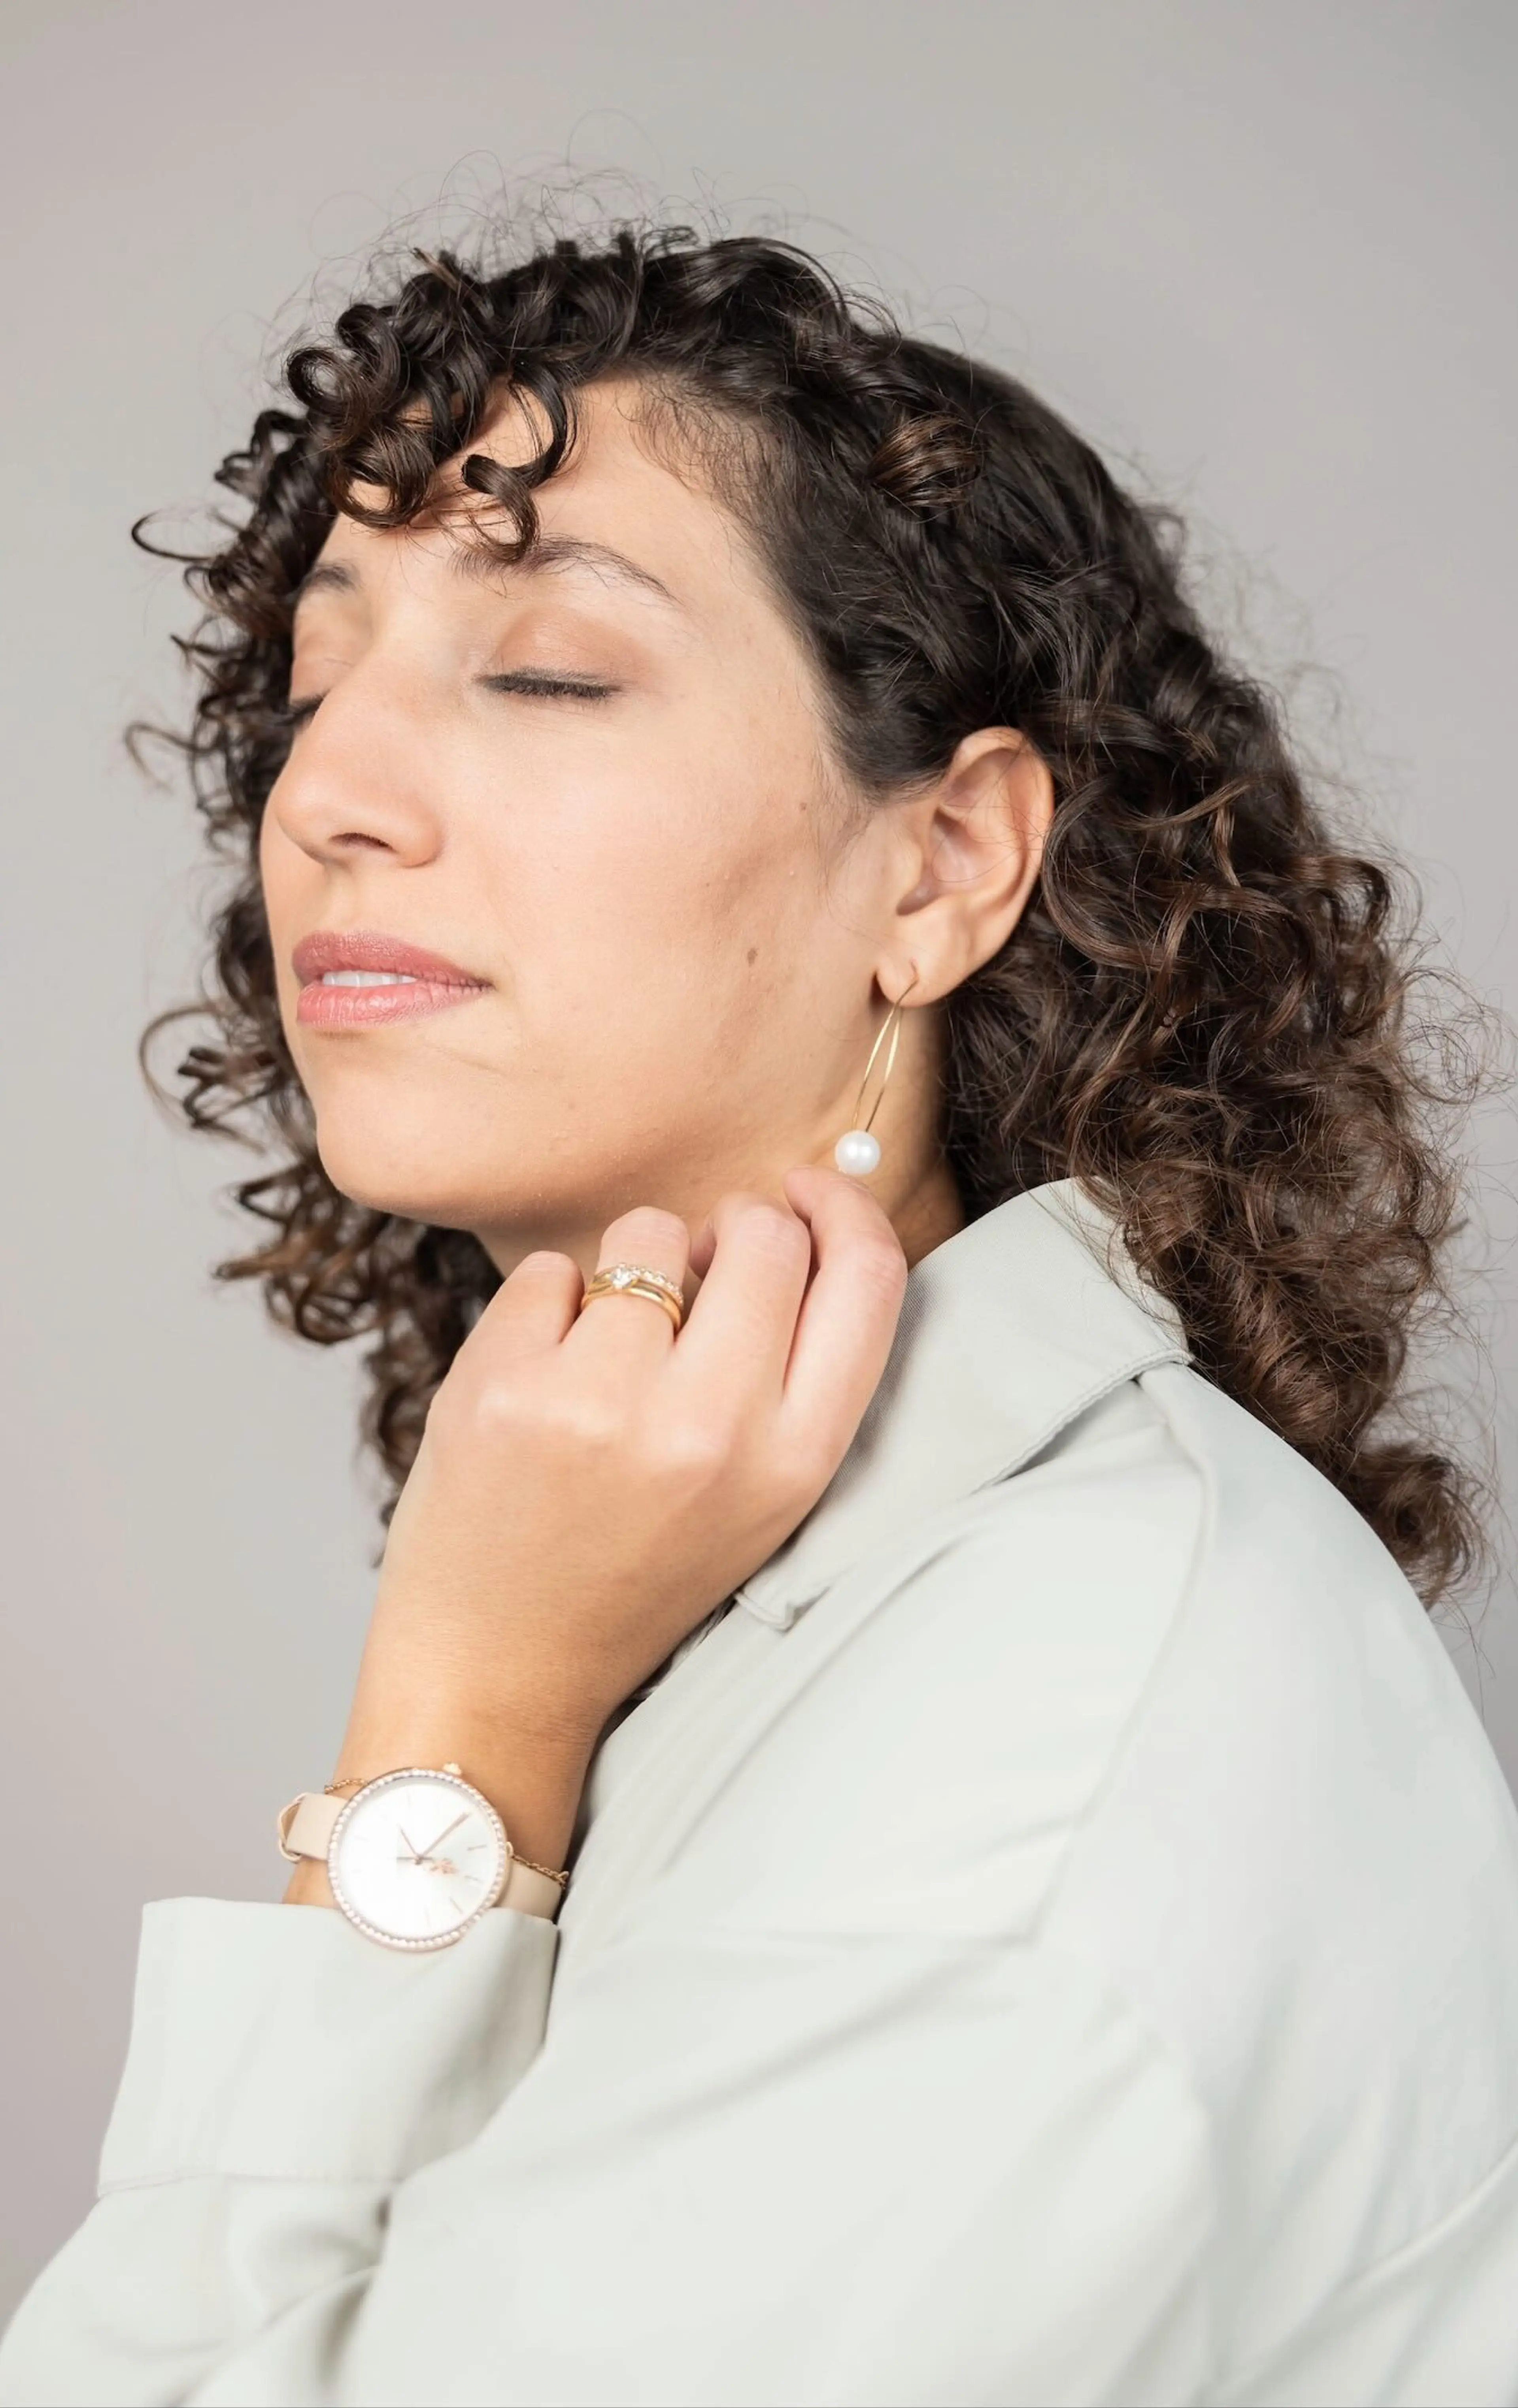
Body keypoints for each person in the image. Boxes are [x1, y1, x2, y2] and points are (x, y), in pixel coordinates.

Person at [4, 218, 1516, 2408]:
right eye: (314, 688)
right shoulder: (785, 1592)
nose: (320, 797)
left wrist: (449, 1732)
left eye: (540, 673)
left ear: (941, 865)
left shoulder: (1016, 1761)